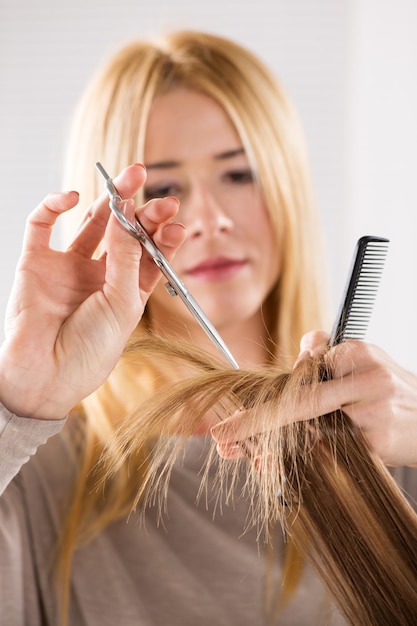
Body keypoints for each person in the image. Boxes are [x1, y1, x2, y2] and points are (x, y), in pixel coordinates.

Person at [1, 30, 417, 626]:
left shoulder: (390, 435)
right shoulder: (32, 478)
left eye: (239, 174)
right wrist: (19, 404)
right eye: (165, 188)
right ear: (118, 217)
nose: (211, 220)